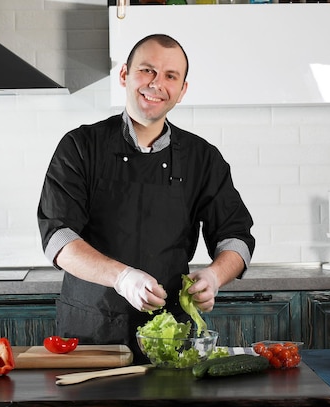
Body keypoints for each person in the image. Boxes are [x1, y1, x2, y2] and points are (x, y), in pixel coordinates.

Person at [37, 33, 255, 363]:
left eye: (170, 76)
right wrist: (121, 278)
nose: (156, 84)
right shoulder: (80, 147)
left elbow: (235, 237)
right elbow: (58, 239)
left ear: (182, 91)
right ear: (124, 75)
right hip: (91, 335)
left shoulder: (202, 158)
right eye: (147, 70)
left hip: (171, 336)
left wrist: (214, 276)